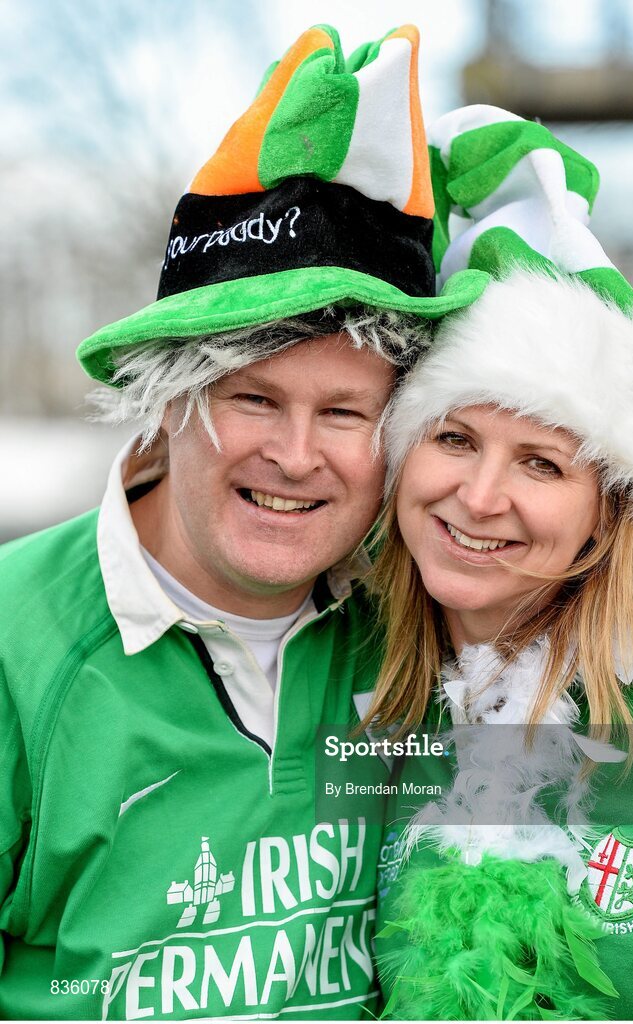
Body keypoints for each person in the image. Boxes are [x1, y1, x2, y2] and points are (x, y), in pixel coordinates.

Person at [0, 27, 486, 1021]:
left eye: (345, 413)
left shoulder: (437, 619)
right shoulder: (18, 643)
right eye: (254, 399)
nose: (298, 455)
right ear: (170, 402)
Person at [365, 106, 633, 1020]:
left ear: (609, 516)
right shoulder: (358, 684)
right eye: (453, 437)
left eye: (541, 463)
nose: (480, 498)